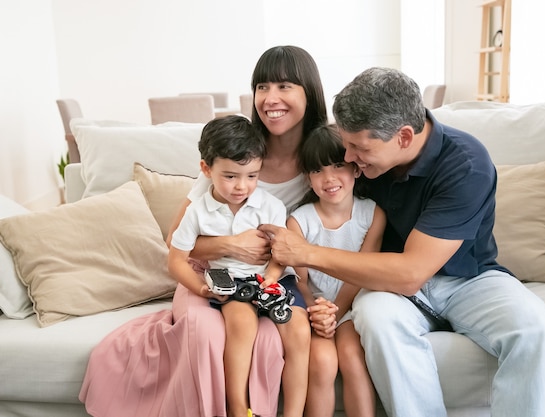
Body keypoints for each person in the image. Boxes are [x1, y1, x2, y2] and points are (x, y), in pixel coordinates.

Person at [259, 67, 545, 417]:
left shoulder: (465, 164)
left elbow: (411, 273)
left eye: (358, 147)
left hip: (469, 280)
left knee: (538, 331)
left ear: (404, 137)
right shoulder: (360, 164)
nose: (348, 157)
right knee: (376, 319)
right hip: (385, 288)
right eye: (346, 143)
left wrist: (307, 253)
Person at [79, 45, 328, 417]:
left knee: (286, 328)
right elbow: (176, 243)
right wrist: (233, 246)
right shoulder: (228, 156)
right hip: (214, 273)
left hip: (273, 278)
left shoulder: (323, 158)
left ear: (309, 91)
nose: (270, 98)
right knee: (213, 329)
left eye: (284, 86)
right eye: (262, 87)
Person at [168, 115, 310, 417]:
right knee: (243, 325)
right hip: (232, 282)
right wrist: (202, 288)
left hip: (273, 281)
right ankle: (237, 408)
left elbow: (279, 254)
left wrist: (270, 278)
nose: (241, 186)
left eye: (251, 176)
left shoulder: (271, 205)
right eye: (230, 176)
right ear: (207, 169)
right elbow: (176, 260)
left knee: (298, 329)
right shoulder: (197, 212)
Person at [287, 125, 385, 417]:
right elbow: (300, 282)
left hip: (351, 307)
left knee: (353, 358)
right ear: (308, 178)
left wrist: (336, 312)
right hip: (314, 311)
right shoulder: (299, 221)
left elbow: (363, 272)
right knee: (322, 362)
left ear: (356, 168)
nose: (329, 178)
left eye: (338, 166)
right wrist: (320, 314)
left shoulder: (373, 214)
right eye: (317, 171)